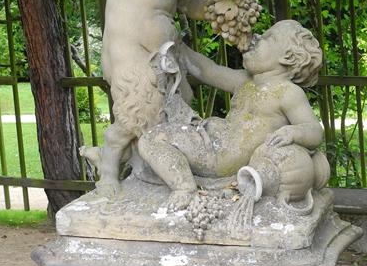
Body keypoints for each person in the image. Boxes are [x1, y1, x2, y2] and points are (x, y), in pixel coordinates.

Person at [90, 0, 248, 197]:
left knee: (171, 113)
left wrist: (218, 10)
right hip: (133, 55)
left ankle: (150, 167)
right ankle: (108, 166)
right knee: (138, 115)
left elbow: (192, 5)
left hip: (161, 52)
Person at [136, 20, 327, 212]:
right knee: (153, 137)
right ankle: (184, 183)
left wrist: (292, 133)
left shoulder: (287, 92)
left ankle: (184, 188)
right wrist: (180, 48)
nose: (257, 37)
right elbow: (208, 71)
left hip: (223, 160)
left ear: (287, 57)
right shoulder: (245, 81)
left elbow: (314, 131)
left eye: (268, 37)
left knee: (152, 140)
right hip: (212, 142)